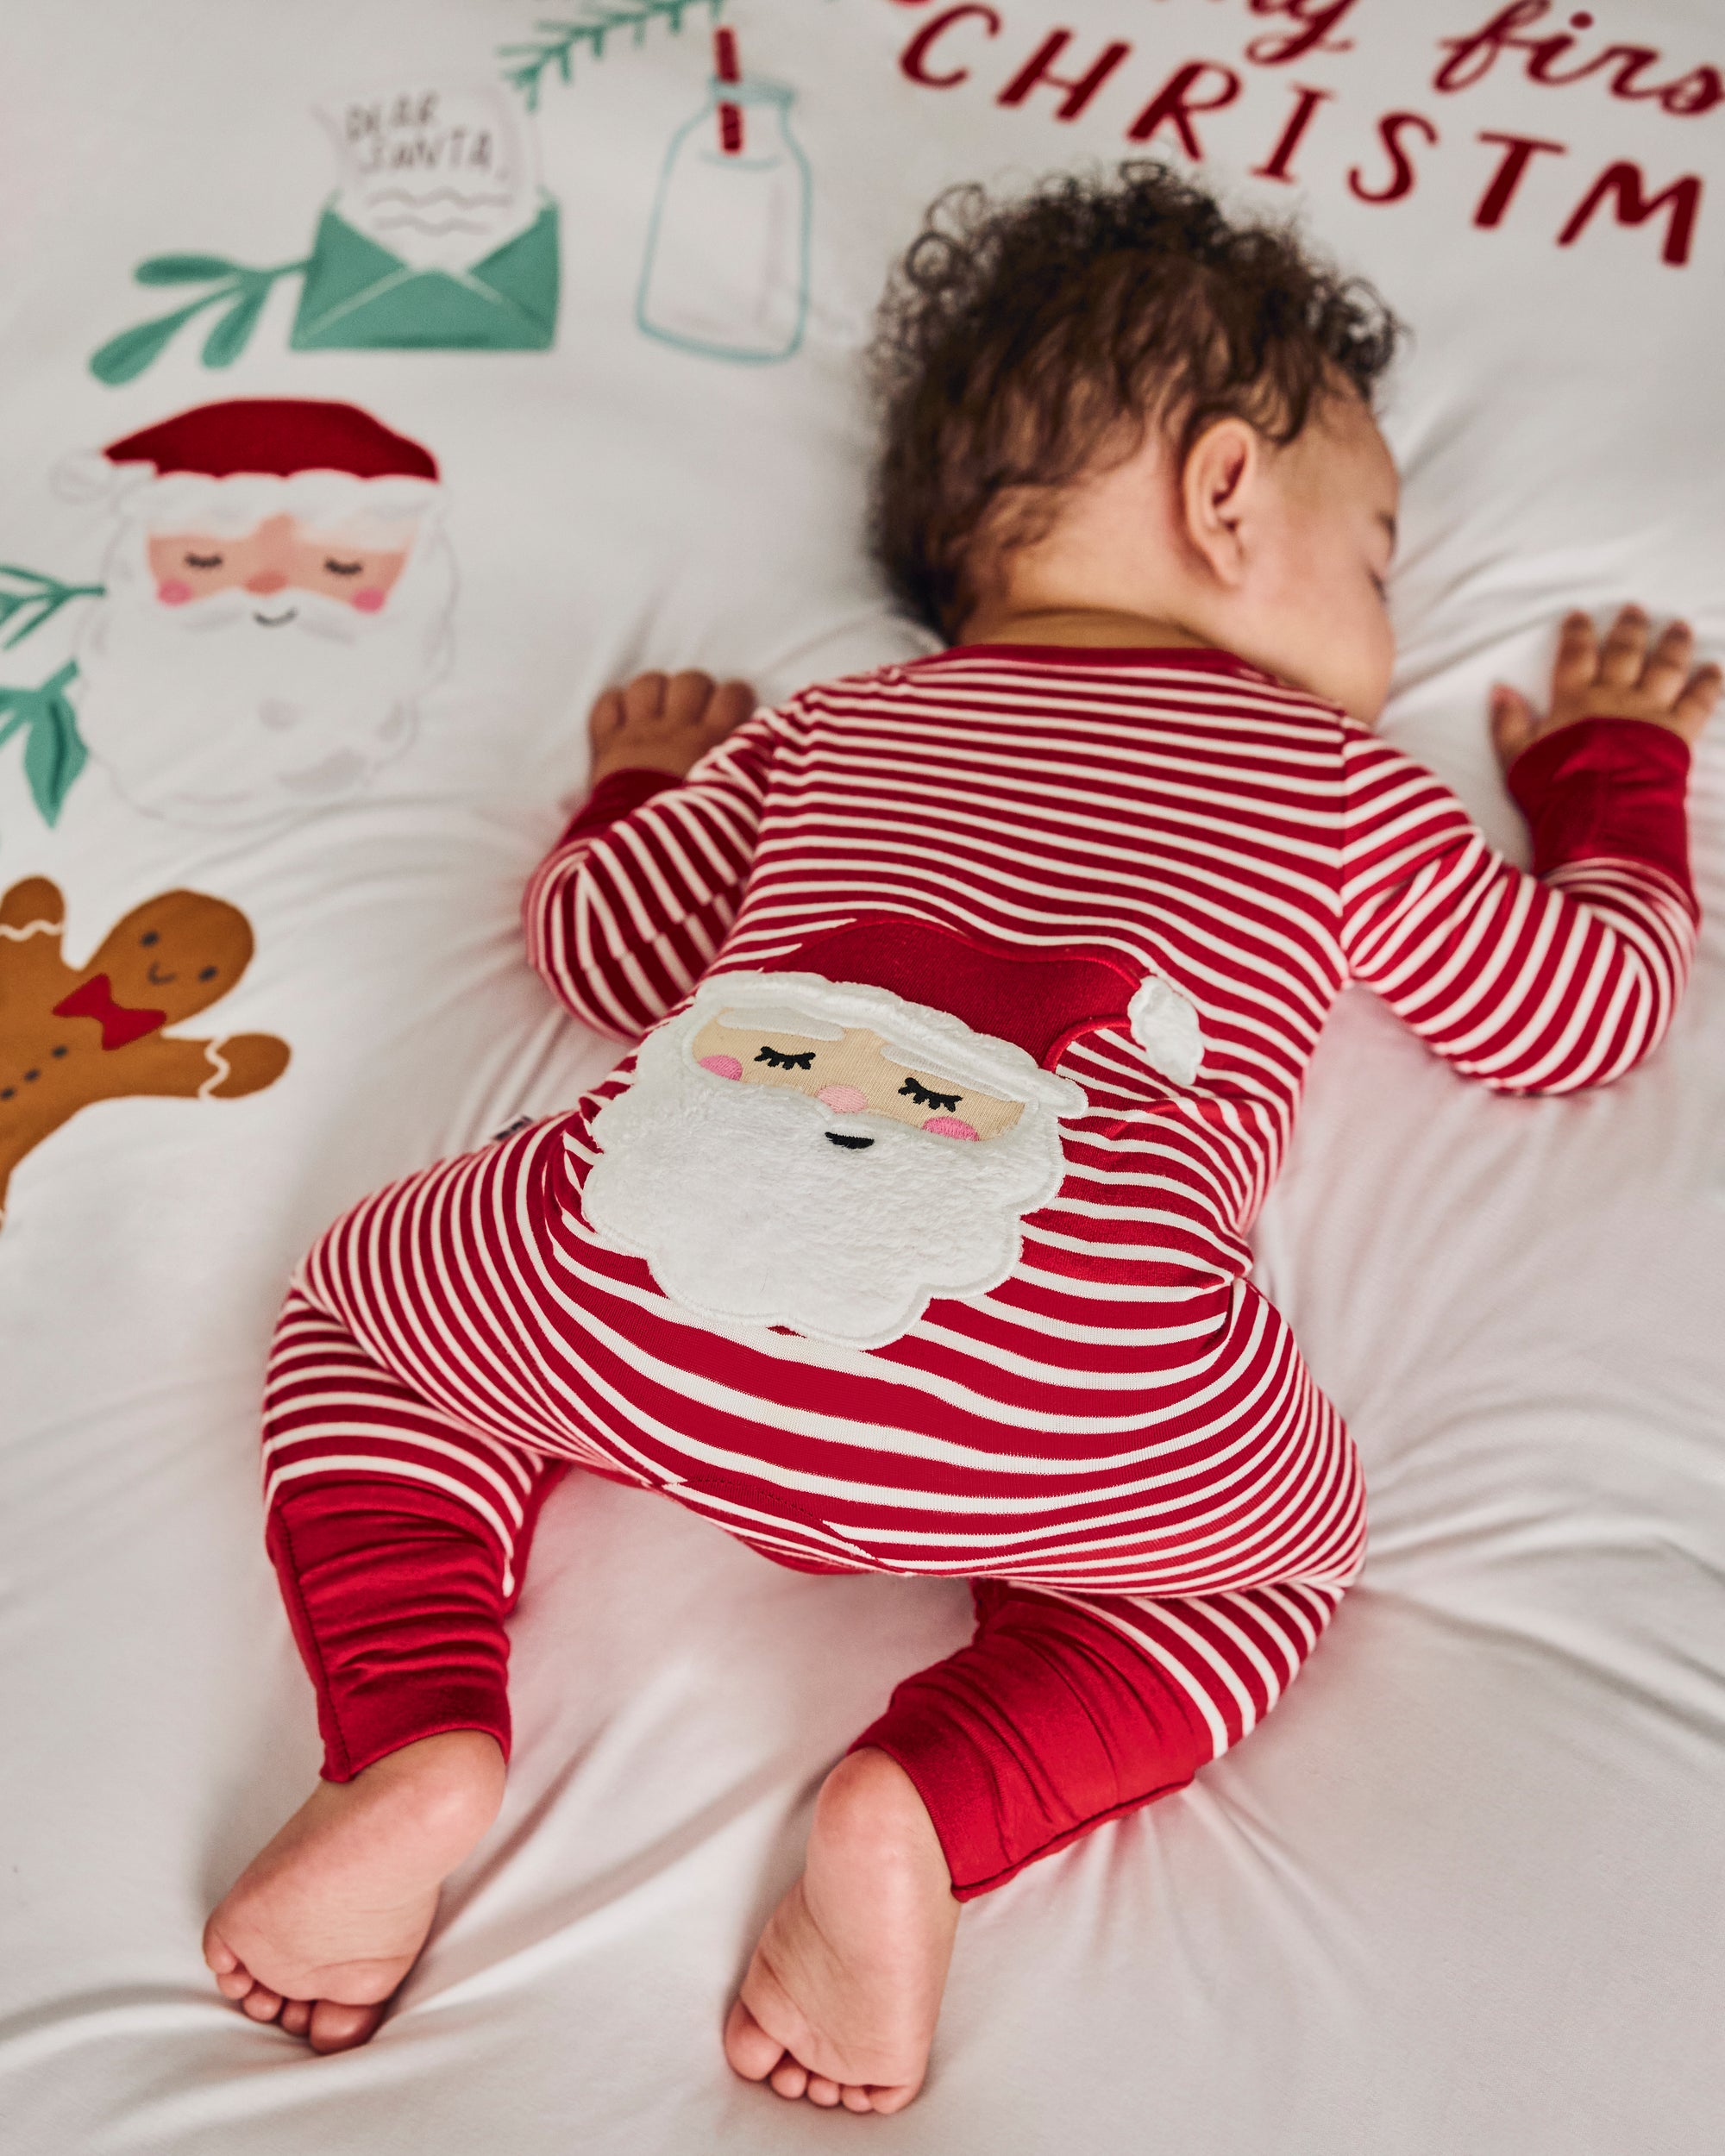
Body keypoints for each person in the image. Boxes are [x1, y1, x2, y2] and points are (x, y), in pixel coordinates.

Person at [201, 164, 1717, 2110]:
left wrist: (635, 786)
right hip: (1067, 1393)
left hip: (636, 1280)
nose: (1387, 614)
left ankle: (415, 1731)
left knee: (364, 1320)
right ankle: (920, 1804)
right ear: (1228, 494)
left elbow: (599, 949)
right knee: (1268, 1569)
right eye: (1378, 558)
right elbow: (1576, 1016)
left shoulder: (831, 728)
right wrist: (1611, 785)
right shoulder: (1333, 776)